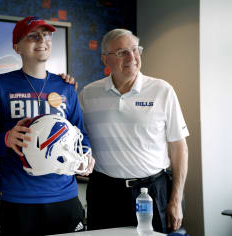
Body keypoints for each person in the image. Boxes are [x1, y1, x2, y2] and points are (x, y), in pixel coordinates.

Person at [0, 16, 95, 236]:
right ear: (17, 46)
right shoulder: (0, 85)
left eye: (47, 34)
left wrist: (86, 157)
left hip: (64, 197)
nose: (42, 39)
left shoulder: (65, 86)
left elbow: (82, 135)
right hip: (17, 198)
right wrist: (6, 139)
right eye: (33, 35)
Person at [79, 28, 189, 233]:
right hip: (104, 193)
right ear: (105, 59)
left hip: (153, 191)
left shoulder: (162, 90)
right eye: (121, 52)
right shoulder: (88, 94)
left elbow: (179, 147)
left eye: (134, 49)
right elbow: (77, 139)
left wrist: (176, 199)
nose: (131, 57)